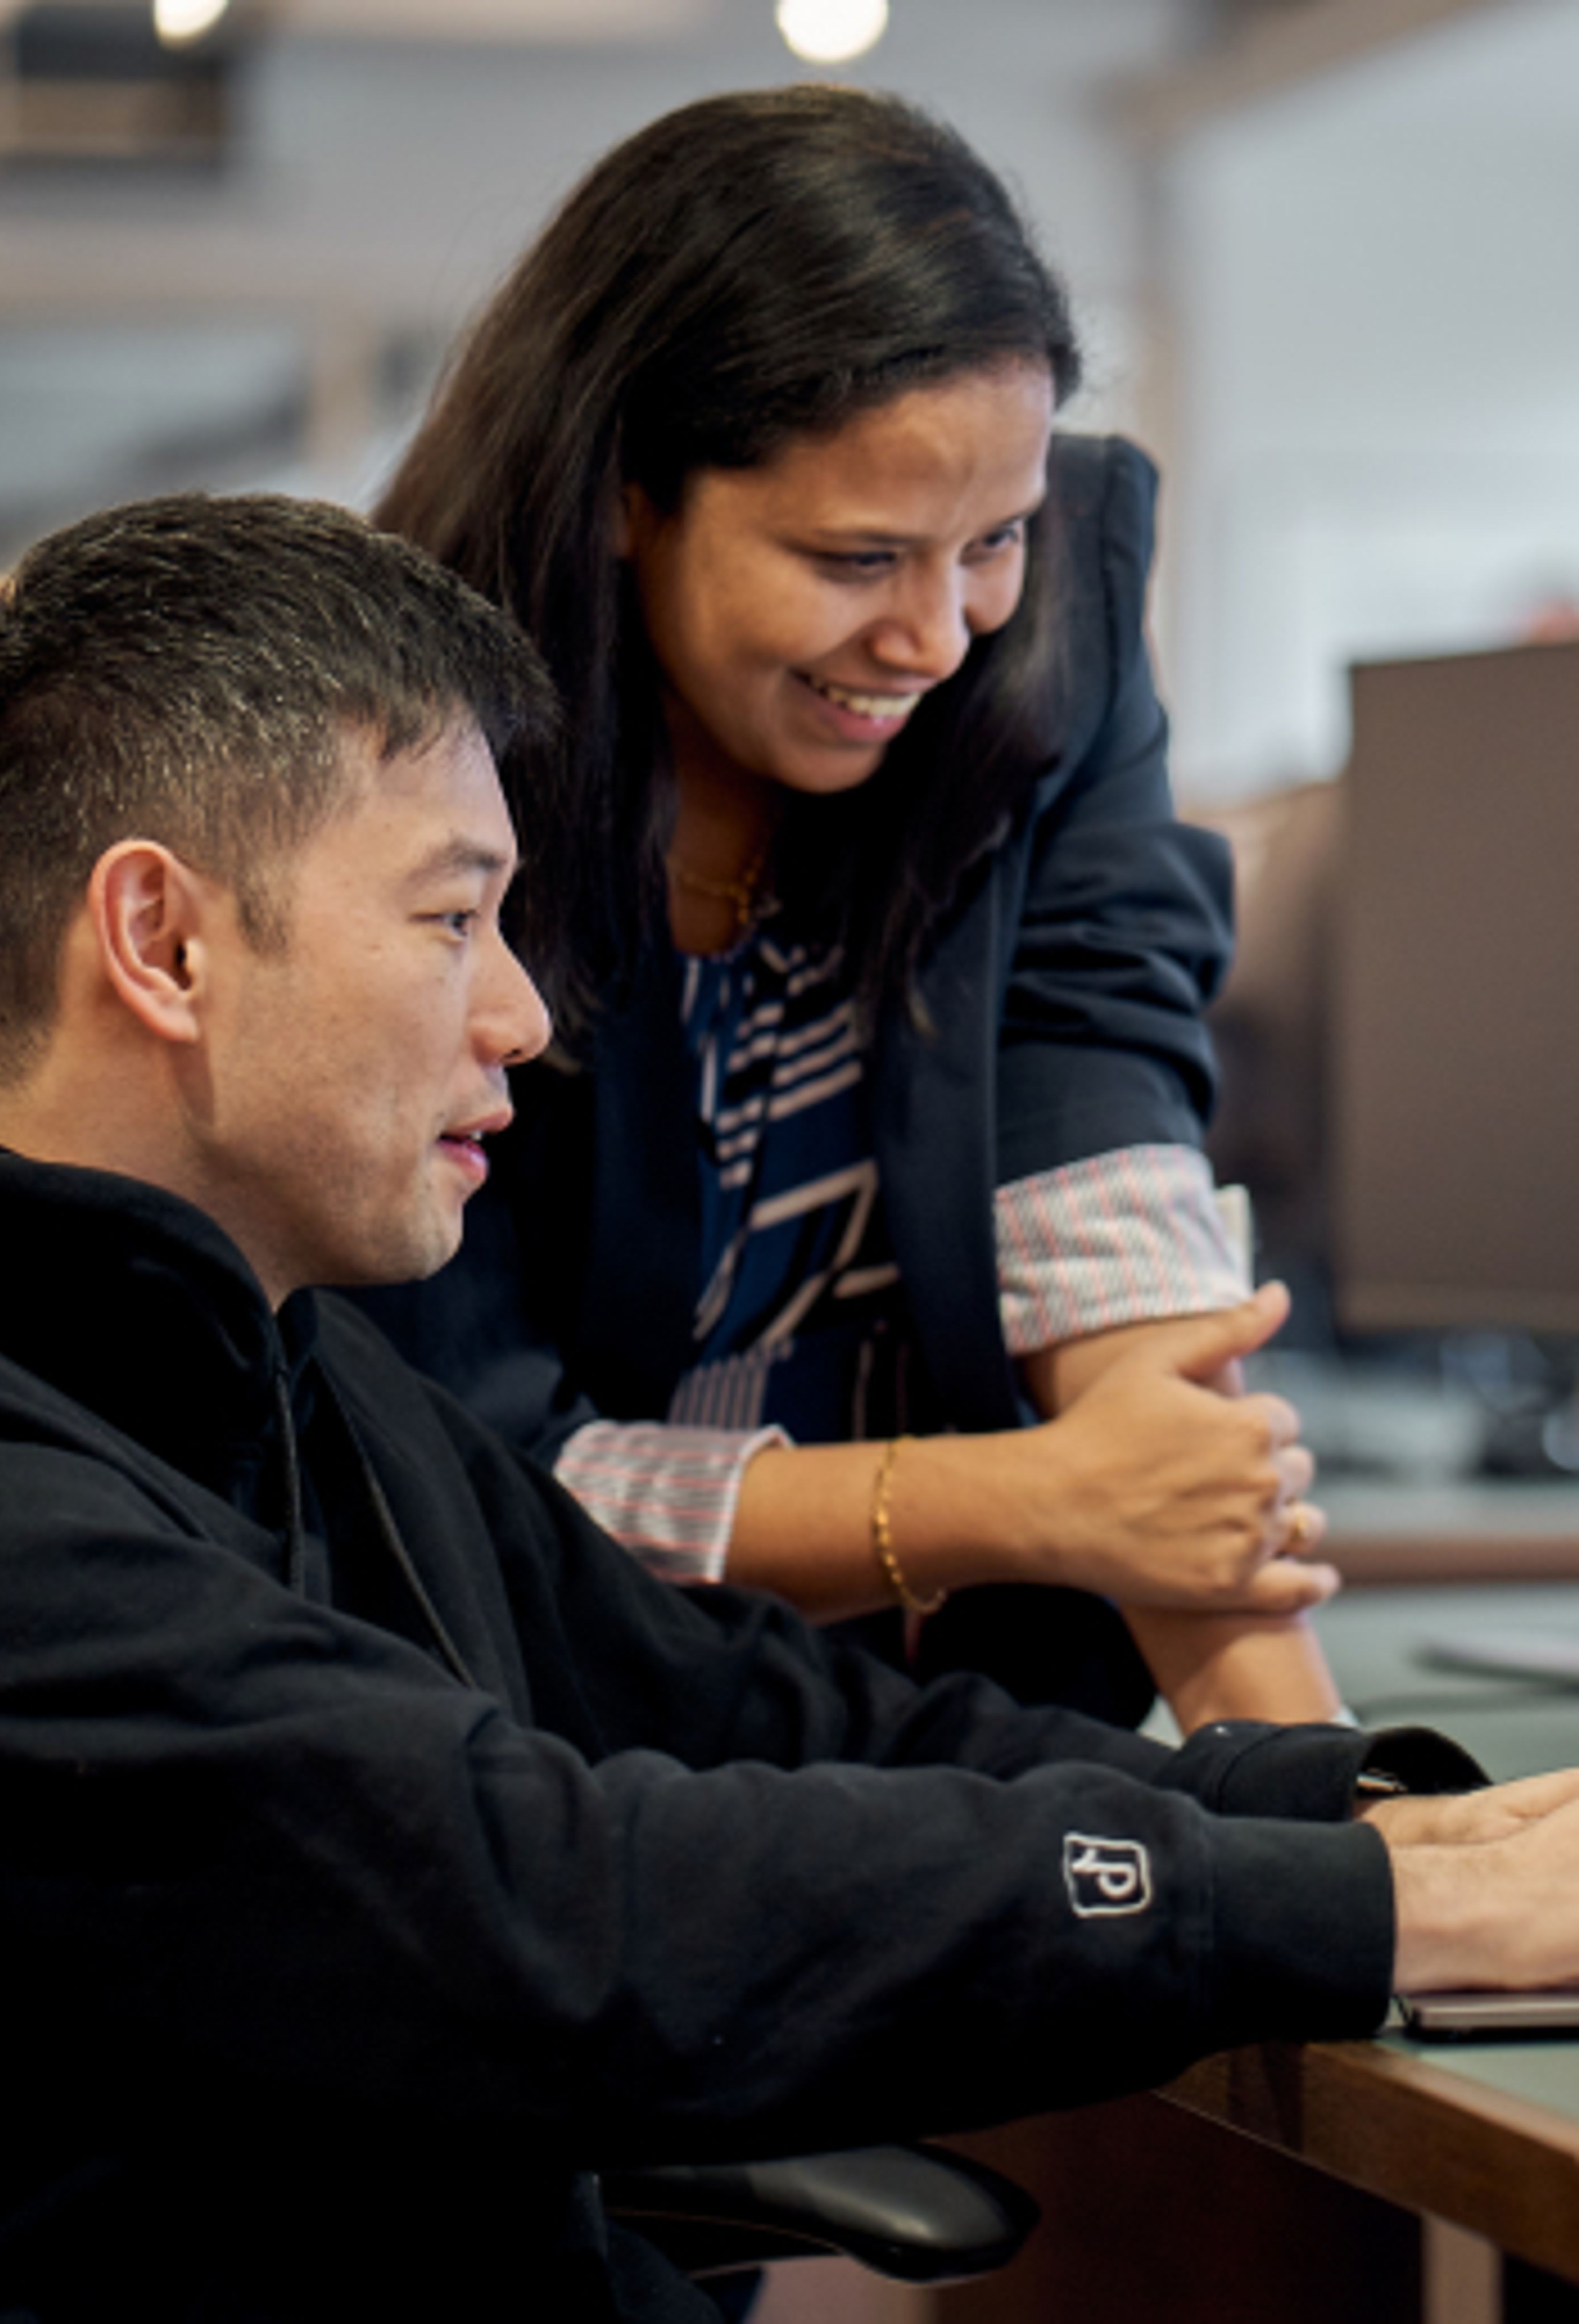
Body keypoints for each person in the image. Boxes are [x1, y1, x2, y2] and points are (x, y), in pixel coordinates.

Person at [0, 491, 1577, 2324]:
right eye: (452, 917)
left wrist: (1347, 1814)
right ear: (163, 942)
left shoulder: (298, 1383)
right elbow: (557, 1901)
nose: (519, 1015)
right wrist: (1380, 1918)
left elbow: (748, 1720)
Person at [361, 85, 1340, 1734]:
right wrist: (1026, 1501)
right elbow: (474, 1477)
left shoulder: (1049, 648)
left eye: (994, 540)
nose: (940, 635)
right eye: (854, 556)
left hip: (982, 1715)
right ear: (626, 492)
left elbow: (1097, 1184)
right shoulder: (410, 768)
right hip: (583, 1732)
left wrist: (1329, 1804)